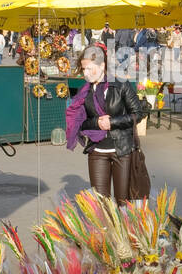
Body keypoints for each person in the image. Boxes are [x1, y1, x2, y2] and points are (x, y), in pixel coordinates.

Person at [64, 44, 149, 205]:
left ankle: (122, 229)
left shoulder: (120, 85)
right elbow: (80, 124)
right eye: (84, 69)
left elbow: (138, 113)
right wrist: (96, 122)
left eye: (90, 69)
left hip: (122, 150)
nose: (86, 74)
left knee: (123, 202)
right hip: (97, 151)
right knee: (101, 204)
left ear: (102, 66)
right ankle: (103, 230)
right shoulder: (84, 91)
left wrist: (113, 122)